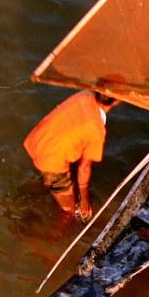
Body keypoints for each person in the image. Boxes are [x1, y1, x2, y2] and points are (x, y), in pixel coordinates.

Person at [23, 90, 119, 219]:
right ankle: (56, 236)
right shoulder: (96, 130)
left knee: (54, 180)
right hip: (52, 161)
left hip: (37, 141)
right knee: (70, 209)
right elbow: (84, 168)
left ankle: (41, 187)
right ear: (117, 101)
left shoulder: (84, 95)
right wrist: (84, 199)